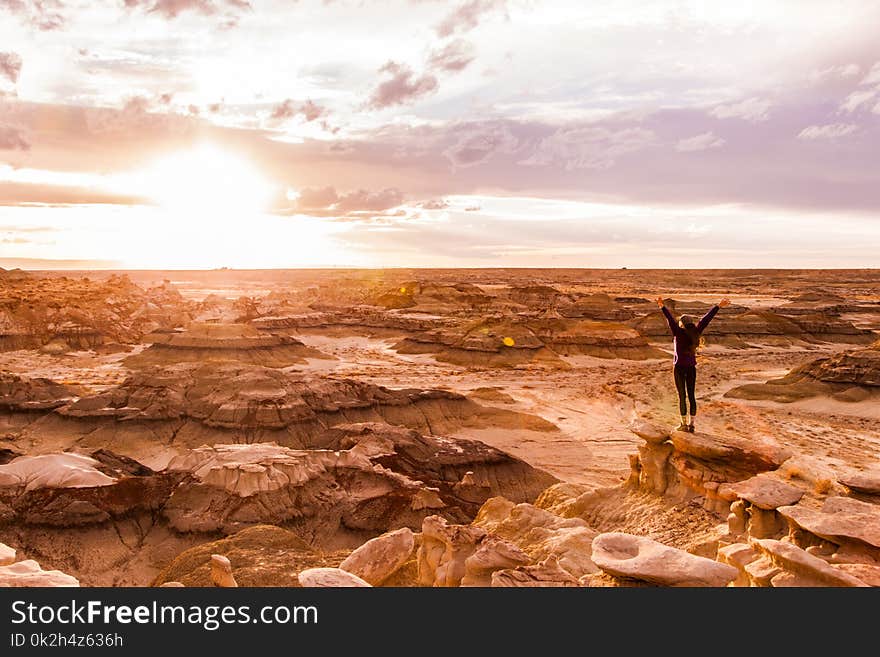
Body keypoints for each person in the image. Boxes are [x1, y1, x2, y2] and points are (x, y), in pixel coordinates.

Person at [655, 296, 730, 433]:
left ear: (682, 324)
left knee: (682, 396)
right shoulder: (696, 332)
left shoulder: (678, 332)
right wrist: (718, 306)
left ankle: (683, 424)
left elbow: (670, 319)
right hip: (691, 368)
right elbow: (706, 320)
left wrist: (662, 306)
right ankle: (692, 425)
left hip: (679, 368)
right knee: (691, 396)